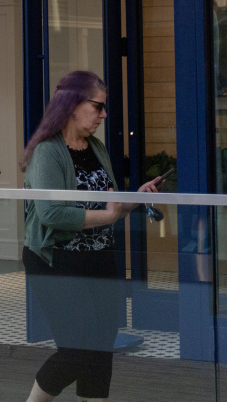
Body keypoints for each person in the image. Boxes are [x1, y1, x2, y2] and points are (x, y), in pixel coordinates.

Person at [21, 71, 163, 402]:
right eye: (98, 107)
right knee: (76, 351)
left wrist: (133, 199)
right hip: (56, 261)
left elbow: (107, 204)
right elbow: (51, 214)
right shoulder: (47, 151)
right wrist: (111, 214)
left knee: (100, 349)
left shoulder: (96, 147)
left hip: (99, 257)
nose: (103, 115)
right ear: (72, 105)